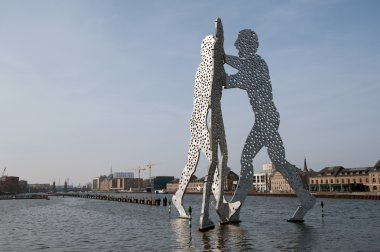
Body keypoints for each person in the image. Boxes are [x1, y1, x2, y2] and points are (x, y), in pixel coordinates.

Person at [224, 29, 315, 222]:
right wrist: (222, 59)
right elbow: (240, 66)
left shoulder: (257, 63)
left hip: (267, 118)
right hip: (265, 119)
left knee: (246, 159)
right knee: (279, 161)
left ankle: (234, 207)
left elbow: (245, 79)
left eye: (239, 42)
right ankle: (305, 198)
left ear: (248, 45)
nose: (236, 46)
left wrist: (225, 77)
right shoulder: (251, 63)